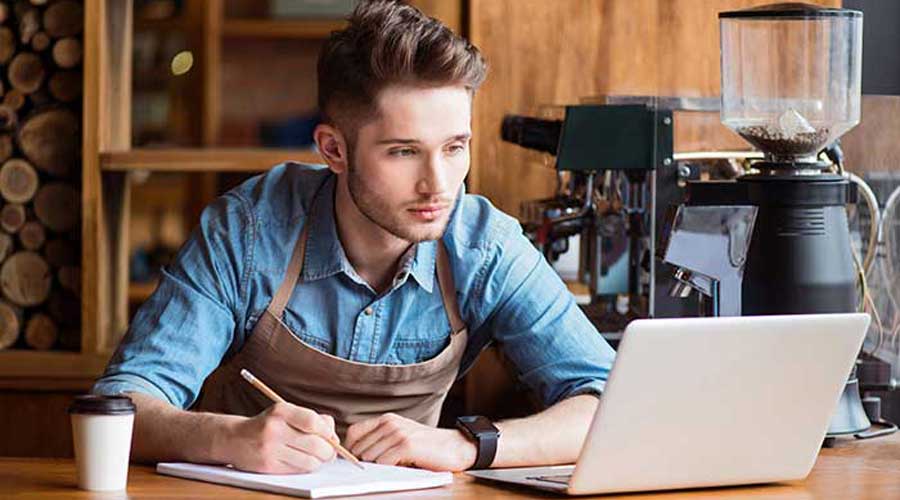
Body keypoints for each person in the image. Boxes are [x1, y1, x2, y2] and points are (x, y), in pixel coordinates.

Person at [93, 0, 615, 474]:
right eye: (404, 152)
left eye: (454, 147)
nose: (438, 184)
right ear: (333, 150)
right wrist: (226, 438)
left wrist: (467, 445)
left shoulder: (485, 246)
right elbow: (120, 404)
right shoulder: (249, 231)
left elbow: (610, 404)